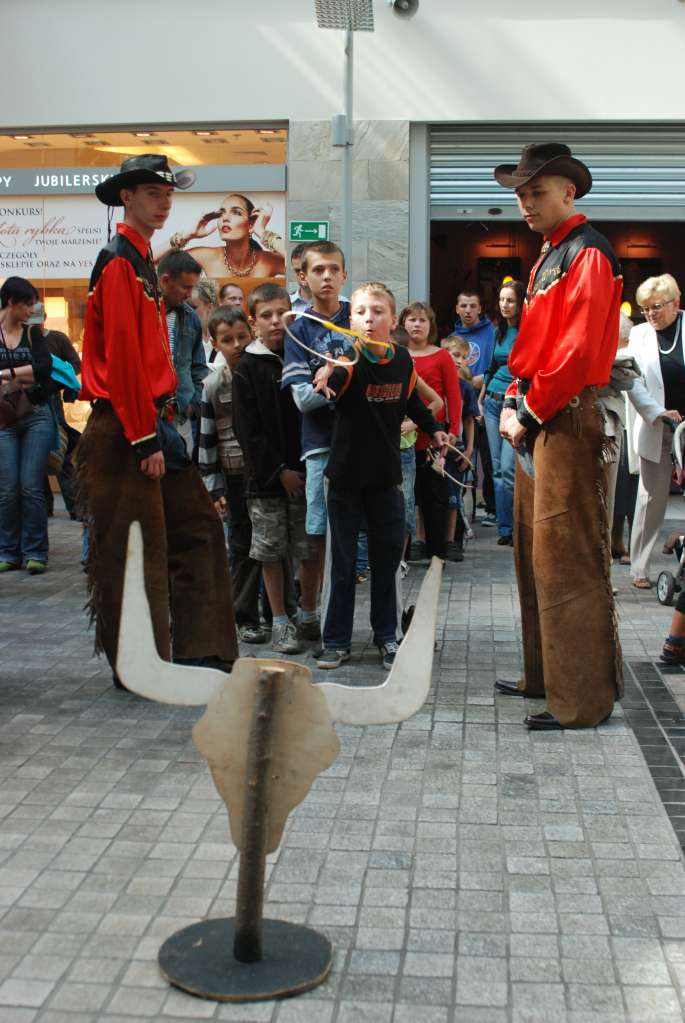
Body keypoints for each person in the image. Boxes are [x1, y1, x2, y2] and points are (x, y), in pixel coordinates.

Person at [76, 154, 239, 685]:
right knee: (135, 549)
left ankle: (201, 650)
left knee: (196, 528)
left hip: (150, 420)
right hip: (129, 424)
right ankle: (141, 665)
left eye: (167, 192)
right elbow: (122, 355)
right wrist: (143, 437)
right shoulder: (120, 260)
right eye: (150, 191)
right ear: (127, 197)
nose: (163, 200)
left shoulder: (143, 259)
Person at [494, 141, 623, 730]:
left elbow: (573, 354)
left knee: (565, 559)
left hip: (565, 419)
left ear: (568, 190)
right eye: (521, 193)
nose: (525, 202)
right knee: (534, 553)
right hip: (545, 415)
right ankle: (545, 677)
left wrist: (530, 410)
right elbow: (542, 348)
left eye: (535, 191)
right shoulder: (552, 253)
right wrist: (514, 399)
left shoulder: (586, 253)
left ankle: (579, 701)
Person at [312, 283, 449, 670]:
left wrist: (432, 427)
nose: (368, 319)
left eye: (377, 311)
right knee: (342, 564)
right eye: (360, 312)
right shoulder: (347, 359)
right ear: (350, 319)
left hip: (387, 478)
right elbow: (333, 389)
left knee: (387, 563)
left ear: (393, 319)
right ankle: (336, 641)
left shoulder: (403, 359)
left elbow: (411, 401)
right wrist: (327, 375)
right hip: (344, 479)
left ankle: (387, 637)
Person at [232, 283, 321, 655]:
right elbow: (247, 431)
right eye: (266, 316)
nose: (275, 322)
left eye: (281, 314)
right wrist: (279, 471)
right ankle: (280, 620)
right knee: (269, 551)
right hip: (267, 481)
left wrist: (303, 467)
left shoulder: (304, 356)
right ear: (253, 323)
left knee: (309, 546)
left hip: (307, 474)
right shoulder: (247, 368)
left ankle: (310, 614)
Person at [281, 241, 351, 587]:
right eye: (318, 270)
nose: (327, 277)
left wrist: (331, 374)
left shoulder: (359, 317)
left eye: (334, 269)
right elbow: (304, 401)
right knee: (318, 536)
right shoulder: (298, 328)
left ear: (344, 275)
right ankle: (314, 614)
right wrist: (348, 374)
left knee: (360, 535)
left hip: (360, 443)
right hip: (320, 445)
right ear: (303, 277)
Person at [199, 305, 267, 645]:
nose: (237, 345)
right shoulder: (212, 385)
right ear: (214, 342)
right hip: (234, 475)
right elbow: (206, 440)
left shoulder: (265, 372)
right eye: (227, 340)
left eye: (242, 337)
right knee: (241, 545)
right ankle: (244, 616)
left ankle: (276, 613)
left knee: (271, 545)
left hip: (267, 473)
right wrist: (213, 488)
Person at [625, 274, 685, 589]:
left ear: (676, 302)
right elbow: (632, 381)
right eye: (646, 308)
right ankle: (640, 568)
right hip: (656, 423)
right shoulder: (639, 335)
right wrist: (656, 411)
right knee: (650, 499)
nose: (651, 314)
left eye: (657, 307)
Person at [0, 277, 55, 574]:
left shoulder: (34, 333)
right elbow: (34, 370)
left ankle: (35, 551)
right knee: (7, 488)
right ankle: (8, 551)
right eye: (27, 304)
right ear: (11, 302)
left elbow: (44, 370)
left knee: (31, 486)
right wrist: (24, 372)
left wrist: (6, 374)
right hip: (3, 419)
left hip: (36, 415)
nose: (31, 310)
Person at [400, 301, 461, 560]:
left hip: (432, 439)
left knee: (434, 500)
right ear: (402, 323)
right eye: (412, 319)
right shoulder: (395, 353)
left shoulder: (442, 356)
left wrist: (454, 429)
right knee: (405, 499)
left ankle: (437, 553)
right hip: (400, 442)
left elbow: (453, 397)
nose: (417, 324)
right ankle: (408, 549)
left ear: (431, 325)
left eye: (422, 320)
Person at [480, 280, 526, 546]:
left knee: (509, 469)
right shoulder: (497, 332)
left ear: (521, 303)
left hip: (516, 404)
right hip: (492, 403)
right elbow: (489, 367)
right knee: (496, 469)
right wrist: (480, 397)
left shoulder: (528, 331)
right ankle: (505, 528)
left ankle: (519, 526)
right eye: (501, 300)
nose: (505, 305)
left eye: (510, 300)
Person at [28, 302, 82, 520]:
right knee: (36, 455)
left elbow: (75, 364)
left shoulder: (57, 338)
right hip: (28, 403)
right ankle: (45, 506)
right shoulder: (23, 340)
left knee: (61, 452)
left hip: (52, 402)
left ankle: (73, 506)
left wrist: (57, 381)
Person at [162, 193, 285, 278]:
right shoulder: (207, 256)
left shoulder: (268, 261)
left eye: (236, 212)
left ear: (251, 224)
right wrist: (188, 235)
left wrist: (262, 232)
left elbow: (301, 262)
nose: (225, 218)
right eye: (221, 213)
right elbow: (151, 262)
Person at [157, 251, 207, 459]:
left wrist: (193, 405)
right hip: (148, 413)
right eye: (186, 287)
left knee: (180, 472)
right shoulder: (141, 313)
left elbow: (198, 367)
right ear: (165, 280)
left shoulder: (191, 317)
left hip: (181, 413)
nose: (189, 294)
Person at [453, 290, 496, 524]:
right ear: (457, 309)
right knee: (462, 458)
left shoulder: (492, 333)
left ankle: (492, 508)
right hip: (462, 403)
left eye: (472, 306)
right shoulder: (452, 336)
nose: (468, 310)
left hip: (487, 401)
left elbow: (495, 365)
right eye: (463, 306)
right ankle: (462, 512)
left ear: (480, 309)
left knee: (489, 461)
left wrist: (479, 383)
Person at [442, 335, 479, 561]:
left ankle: (452, 542)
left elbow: (469, 420)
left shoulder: (465, 387)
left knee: (453, 497)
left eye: (464, 358)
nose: (459, 361)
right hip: (434, 445)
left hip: (457, 447)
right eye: (455, 355)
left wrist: (469, 450)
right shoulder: (434, 381)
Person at [190, 277, 218, 363]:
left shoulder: (222, 335)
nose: (188, 311)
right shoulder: (184, 335)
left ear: (209, 307)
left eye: (193, 307)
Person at [288, 242, 312, 313]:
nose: (302, 274)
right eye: (297, 270)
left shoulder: (338, 305)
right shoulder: (284, 305)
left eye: (305, 269)